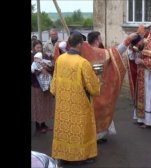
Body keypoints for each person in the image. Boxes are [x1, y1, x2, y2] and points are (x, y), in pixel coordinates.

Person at [50, 33, 101, 165]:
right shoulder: (82, 62)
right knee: (80, 129)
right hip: (79, 103)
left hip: (63, 104)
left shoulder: (60, 59)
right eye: (83, 44)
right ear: (79, 44)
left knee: (65, 128)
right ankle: (80, 157)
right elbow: (94, 88)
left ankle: (63, 155)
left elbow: (54, 86)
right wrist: (97, 78)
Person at [31, 40, 55, 134]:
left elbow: (52, 66)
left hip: (46, 84)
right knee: (38, 106)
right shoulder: (32, 57)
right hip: (36, 85)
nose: (39, 49)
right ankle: (38, 126)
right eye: (37, 47)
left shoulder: (44, 55)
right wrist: (39, 71)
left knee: (45, 105)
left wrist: (47, 68)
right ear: (33, 48)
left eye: (40, 47)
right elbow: (32, 70)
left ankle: (44, 124)